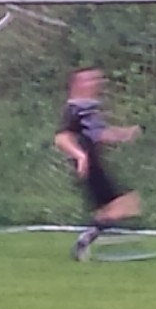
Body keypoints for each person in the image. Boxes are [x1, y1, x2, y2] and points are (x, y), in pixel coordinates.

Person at [54, 67, 144, 261]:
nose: (96, 83)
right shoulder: (75, 109)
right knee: (124, 205)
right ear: (77, 84)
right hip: (89, 167)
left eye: (97, 79)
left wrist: (125, 134)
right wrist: (80, 156)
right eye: (89, 80)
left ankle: (88, 240)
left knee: (118, 207)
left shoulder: (87, 109)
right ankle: (87, 240)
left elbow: (99, 134)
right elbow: (61, 138)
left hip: (95, 164)